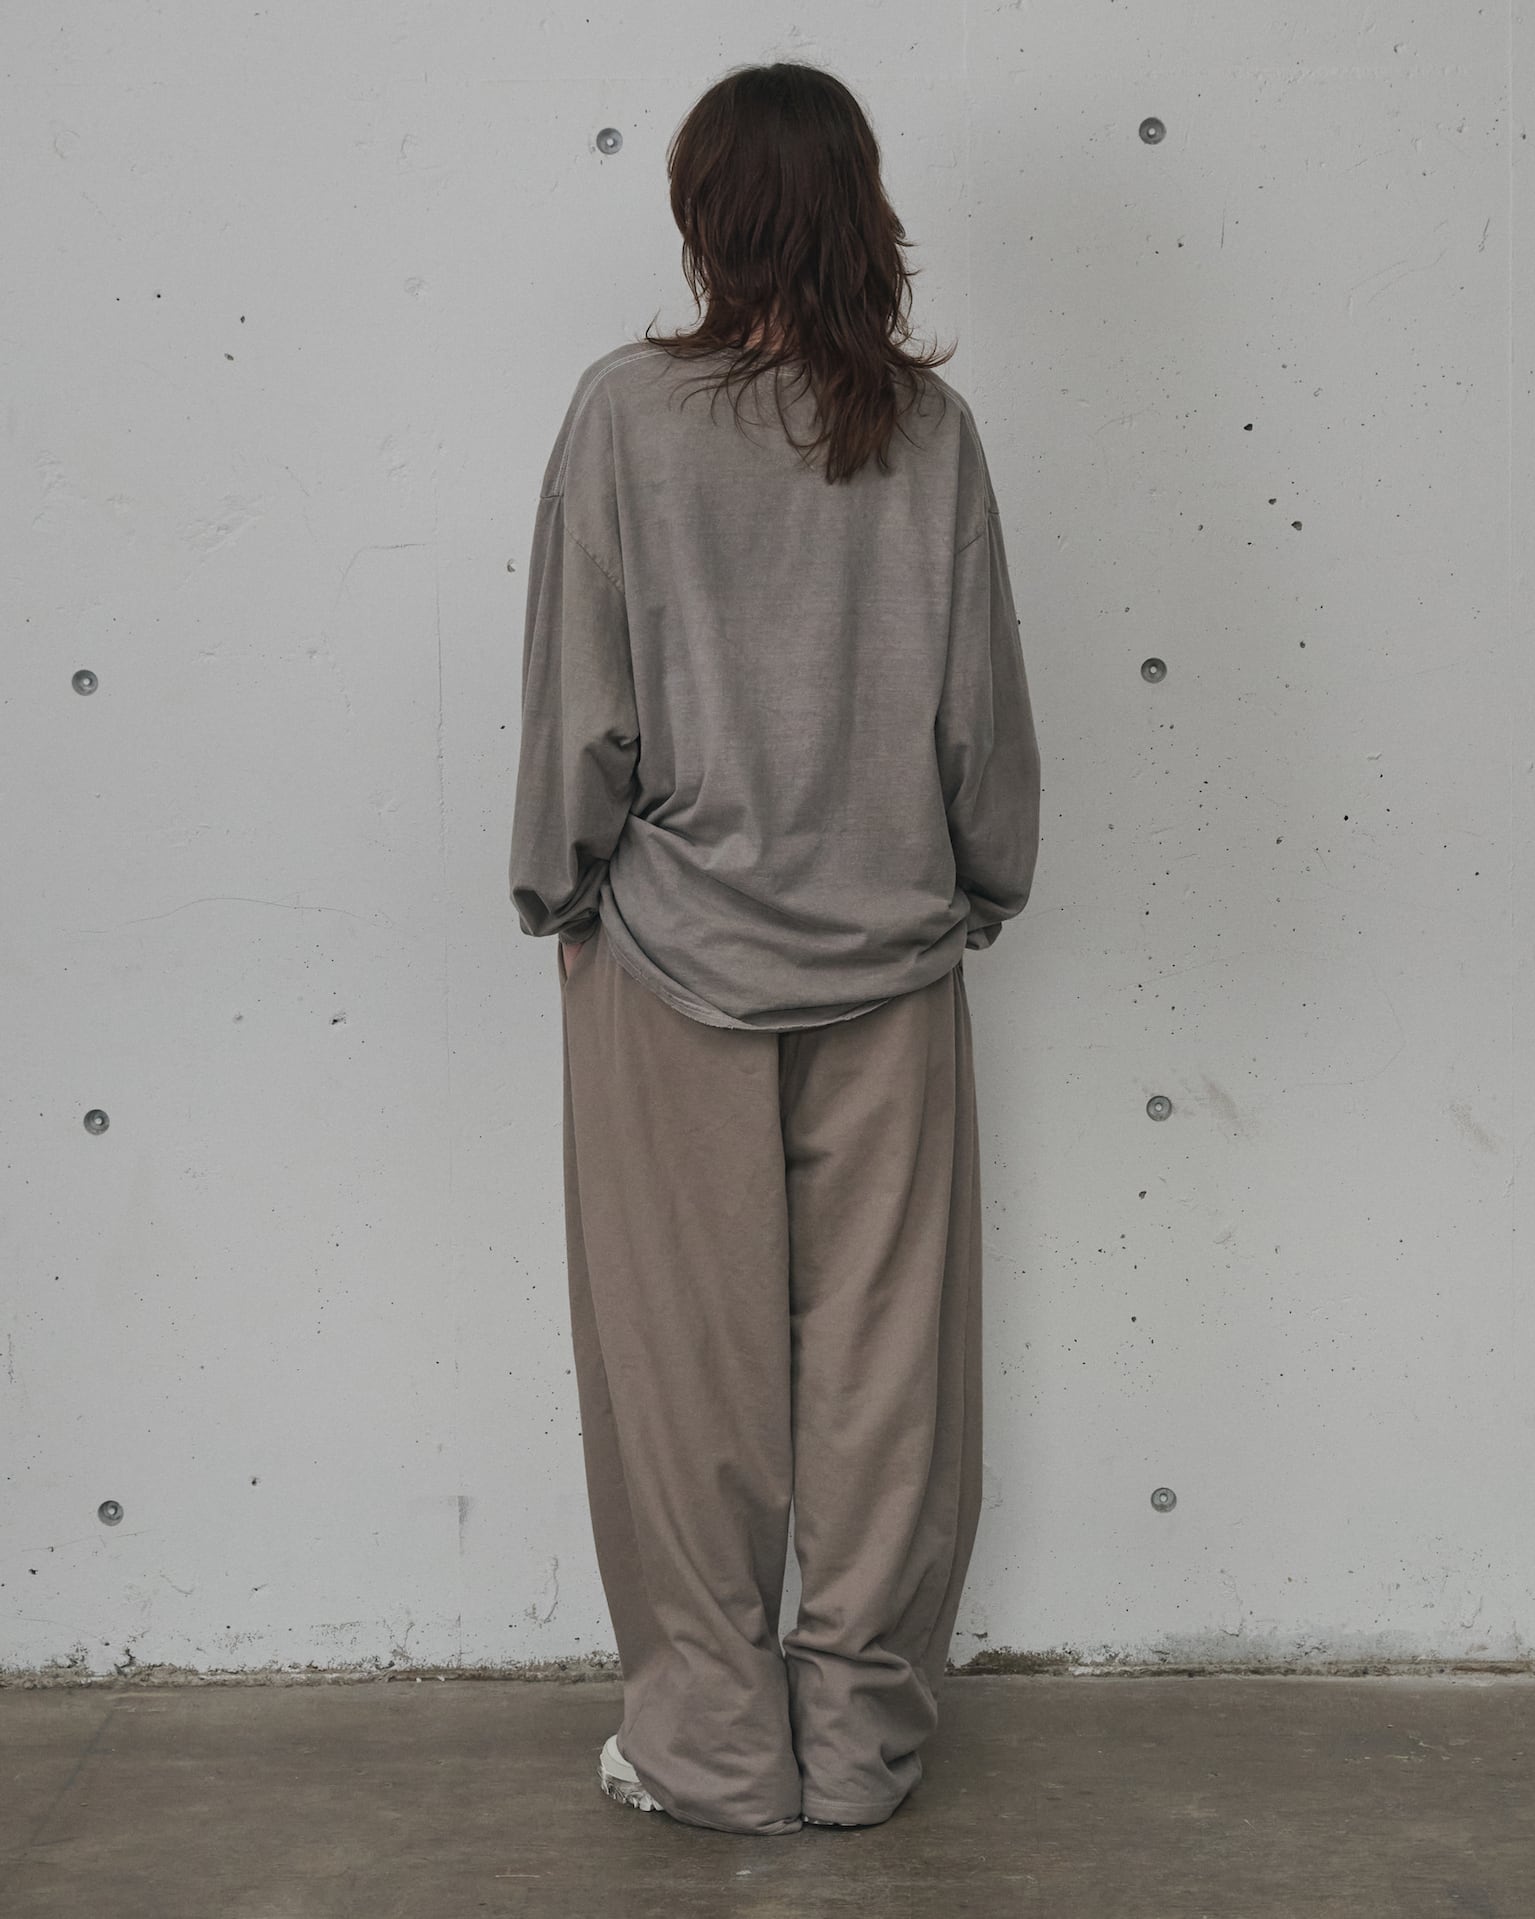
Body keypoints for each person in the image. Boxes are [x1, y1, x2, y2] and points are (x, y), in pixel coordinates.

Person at [508, 60, 1041, 1838]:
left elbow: (581, 701)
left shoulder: (624, 415)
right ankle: (861, 1746)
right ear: (861, 212)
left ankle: (715, 1752)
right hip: (893, 954)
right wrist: (980, 882)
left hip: (670, 958)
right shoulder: (930, 430)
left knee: (685, 1373)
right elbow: (979, 714)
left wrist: (562, 896)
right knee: (891, 1372)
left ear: (705, 214)